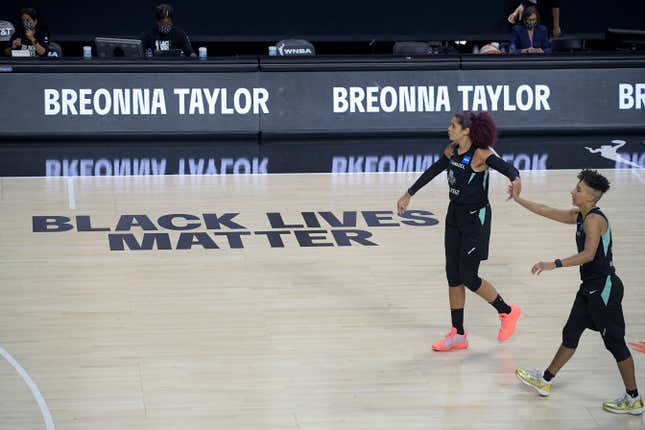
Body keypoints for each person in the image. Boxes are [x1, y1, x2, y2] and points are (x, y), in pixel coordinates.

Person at [510, 169, 643, 415]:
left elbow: (589, 254)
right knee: (570, 333)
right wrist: (519, 199)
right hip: (590, 288)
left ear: (591, 198)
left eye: (578, 189)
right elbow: (546, 210)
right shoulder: (581, 215)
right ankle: (546, 380)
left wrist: (554, 263)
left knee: (615, 344)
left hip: (604, 289)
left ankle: (633, 398)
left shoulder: (594, 220)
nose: (573, 191)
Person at [397, 112, 522, 351]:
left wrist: (515, 180)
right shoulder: (452, 150)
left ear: (467, 131)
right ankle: (458, 333)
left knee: (469, 276)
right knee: (452, 274)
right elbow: (434, 170)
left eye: (453, 126)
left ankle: (507, 311)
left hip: (476, 220)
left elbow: (508, 168)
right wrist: (409, 193)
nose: (449, 128)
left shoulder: (481, 154)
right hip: (454, 215)